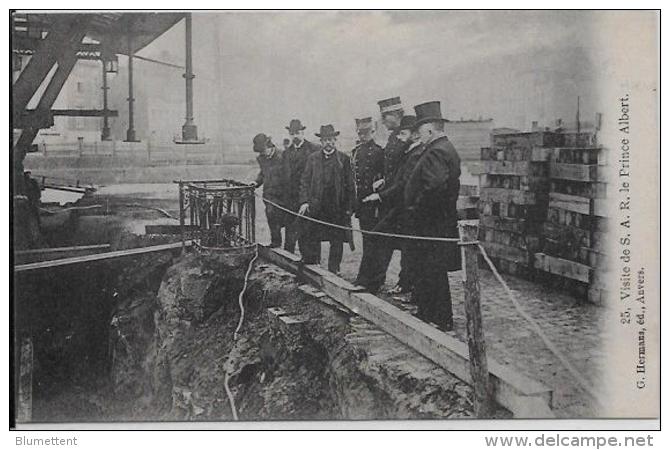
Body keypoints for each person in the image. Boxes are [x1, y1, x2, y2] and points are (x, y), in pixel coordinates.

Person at [404, 101, 461, 332]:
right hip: (439, 221)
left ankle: (440, 317)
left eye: (420, 130)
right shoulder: (446, 148)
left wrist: (416, 208)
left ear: (429, 129)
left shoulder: (436, 151)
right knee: (431, 269)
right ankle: (431, 313)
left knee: (433, 270)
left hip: (430, 223)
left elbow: (435, 186)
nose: (419, 135)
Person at [358, 115, 422, 294]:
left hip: (402, 206)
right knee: (382, 240)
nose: (400, 138)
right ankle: (371, 282)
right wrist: (384, 181)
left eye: (403, 134)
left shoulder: (414, 153)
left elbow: (403, 182)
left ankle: (400, 285)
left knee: (402, 246)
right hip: (394, 203)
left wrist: (379, 196)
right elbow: (395, 175)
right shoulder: (406, 148)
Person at [298, 124, 354, 274]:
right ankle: (315, 266)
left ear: (335, 140)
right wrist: (304, 202)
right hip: (317, 206)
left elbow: (350, 186)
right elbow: (304, 181)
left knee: (336, 240)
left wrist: (349, 208)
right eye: (325, 140)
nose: (328, 142)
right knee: (314, 236)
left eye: (331, 139)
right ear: (321, 142)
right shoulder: (313, 159)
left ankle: (334, 269)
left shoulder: (344, 159)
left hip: (337, 207)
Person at [351, 117, 384, 287]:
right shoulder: (356, 152)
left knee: (373, 241)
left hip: (374, 204)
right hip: (362, 204)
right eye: (360, 133)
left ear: (373, 132)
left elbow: (385, 177)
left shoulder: (379, 152)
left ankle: (370, 279)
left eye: (366, 132)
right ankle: (368, 277)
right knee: (367, 240)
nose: (363, 136)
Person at [283, 119, 320, 254]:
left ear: (303, 132)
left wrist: (309, 199)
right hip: (290, 200)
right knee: (290, 234)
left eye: (297, 132)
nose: (295, 136)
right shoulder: (287, 153)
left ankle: (310, 263)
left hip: (307, 199)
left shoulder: (314, 149)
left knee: (308, 233)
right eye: (292, 133)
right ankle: (288, 262)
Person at [252, 133, 286, 248]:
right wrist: (256, 182)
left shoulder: (283, 156)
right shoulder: (262, 158)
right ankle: (275, 244)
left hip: (284, 196)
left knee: (288, 222)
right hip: (269, 196)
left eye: (263, 151)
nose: (261, 154)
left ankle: (289, 250)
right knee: (271, 217)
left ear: (269, 146)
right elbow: (263, 173)